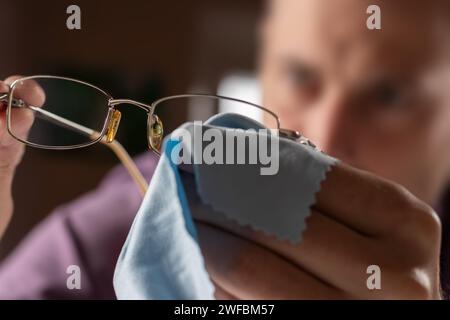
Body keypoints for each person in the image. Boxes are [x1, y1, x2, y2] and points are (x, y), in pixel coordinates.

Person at [0, 0, 449, 299]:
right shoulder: (132, 226)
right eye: (299, 77)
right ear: (265, 63)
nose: (326, 138)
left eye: (389, 97)